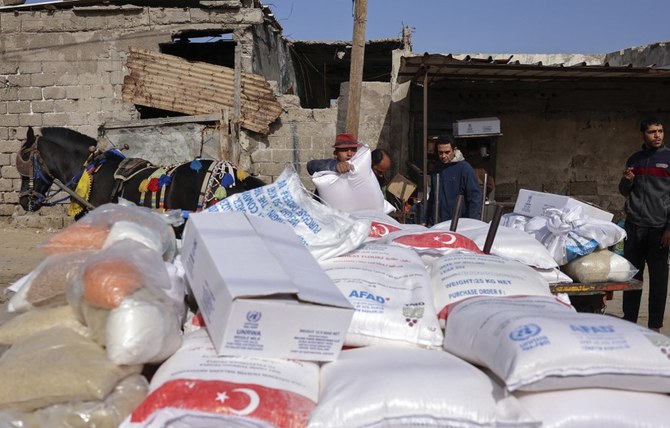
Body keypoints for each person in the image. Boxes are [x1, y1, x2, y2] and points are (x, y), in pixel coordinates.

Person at [618, 117, 670, 333]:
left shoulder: (668, 158)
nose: (657, 135)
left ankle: (654, 327)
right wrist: (627, 180)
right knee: (631, 278)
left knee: (658, 281)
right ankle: (629, 322)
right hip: (635, 227)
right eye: (652, 132)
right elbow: (624, 191)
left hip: (659, 229)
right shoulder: (635, 159)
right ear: (643, 135)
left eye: (660, 131)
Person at [426, 134, 482, 225]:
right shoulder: (437, 168)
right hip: (437, 224)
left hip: (458, 225)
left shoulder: (465, 169)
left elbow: (475, 198)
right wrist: (426, 219)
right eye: (440, 152)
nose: (443, 156)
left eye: (447, 152)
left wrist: (472, 224)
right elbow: (432, 196)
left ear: (454, 150)